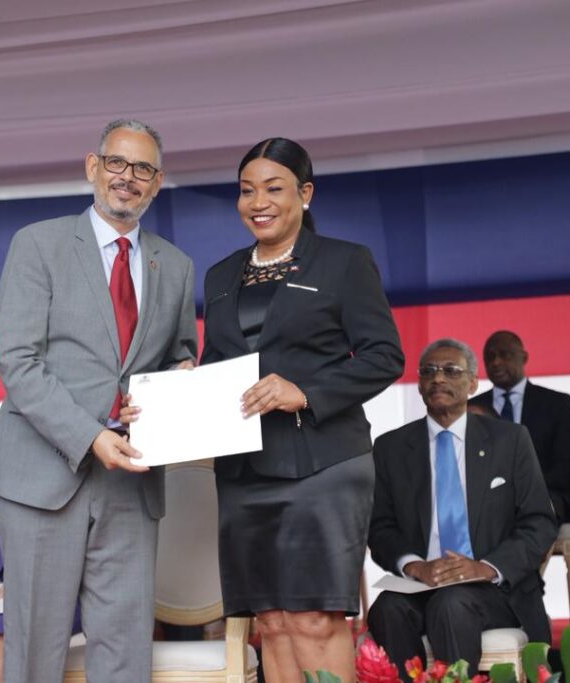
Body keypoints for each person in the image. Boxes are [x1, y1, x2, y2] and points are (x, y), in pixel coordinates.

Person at [0, 119, 198, 683]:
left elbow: (180, 353)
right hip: (41, 476)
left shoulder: (175, 266)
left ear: (157, 183)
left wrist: (180, 377)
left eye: (143, 168)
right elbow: (18, 362)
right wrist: (89, 435)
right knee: (35, 650)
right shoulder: (38, 244)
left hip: (131, 480)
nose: (128, 177)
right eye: (117, 163)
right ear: (93, 167)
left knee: (125, 649)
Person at [194, 137, 404, 682]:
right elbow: (217, 364)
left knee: (312, 619)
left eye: (274, 188)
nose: (258, 202)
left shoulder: (344, 261)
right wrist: (184, 387)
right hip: (243, 471)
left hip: (323, 464)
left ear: (305, 194)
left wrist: (305, 392)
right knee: (271, 622)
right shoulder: (220, 276)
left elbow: (385, 357)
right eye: (246, 191)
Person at [367, 339, 557, 679]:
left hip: (493, 588)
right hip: (422, 584)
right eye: (428, 371)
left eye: (451, 370)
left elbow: (539, 522)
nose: (438, 378)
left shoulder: (510, 440)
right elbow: (380, 527)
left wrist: (485, 567)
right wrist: (414, 565)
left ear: (472, 383)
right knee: (387, 607)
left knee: (452, 604)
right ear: (420, 385)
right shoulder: (391, 447)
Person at [469, 330, 570, 528]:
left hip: (547, 493)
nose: (496, 362)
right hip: (486, 500)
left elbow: (566, 471)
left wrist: (518, 486)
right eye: (489, 357)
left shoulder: (556, 403)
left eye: (505, 354)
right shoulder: (472, 408)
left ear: (524, 358)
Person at [0, 495, 83, 683]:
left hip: (69, 586)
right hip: (10, 580)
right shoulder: (3, 475)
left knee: (40, 631)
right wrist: (12, 572)